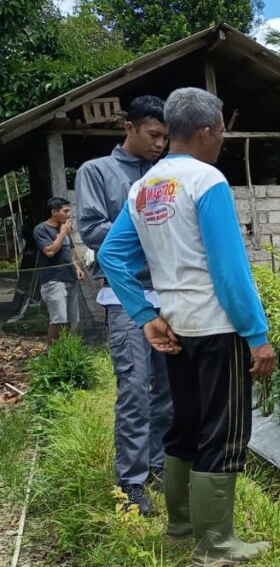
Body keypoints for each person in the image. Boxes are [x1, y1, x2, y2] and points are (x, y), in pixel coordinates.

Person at [99, 87, 275, 567]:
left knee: (185, 427)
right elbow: (229, 269)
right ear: (206, 131)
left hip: (175, 326)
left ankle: (179, 527)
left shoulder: (144, 188)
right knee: (223, 432)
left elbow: (112, 256)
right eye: (221, 130)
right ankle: (216, 544)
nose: (221, 138)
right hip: (218, 327)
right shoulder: (206, 181)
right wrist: (256, 335)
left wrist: (145, 316)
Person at [76, 96, 173, 515]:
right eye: (153, 135)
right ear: (128, 127)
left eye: (166, 138)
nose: (160, 145)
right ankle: (131, 482)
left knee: (168, 391)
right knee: (134, 388)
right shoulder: (96, 172)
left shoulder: (165, 174)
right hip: (126, 297)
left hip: (169, 295)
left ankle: (159, 464)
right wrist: (147, 227)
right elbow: (93, 229)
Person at [33, 198, 84, 342]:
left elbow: (68, 252)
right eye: (65, 211)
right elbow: (49, 252)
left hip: (70, 278)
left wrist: (77, 267)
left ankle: (66, 352)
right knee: (59, 319)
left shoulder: (65, 228)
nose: (69, 214)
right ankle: (52, 356)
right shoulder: (41, 229)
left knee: (72, 319)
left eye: (69, 210)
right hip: (53, 280)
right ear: (54, 212)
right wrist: (62, 234)